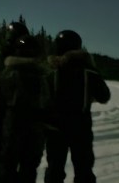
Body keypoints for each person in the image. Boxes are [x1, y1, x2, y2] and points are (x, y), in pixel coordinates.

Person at [45, 30, 110, 183]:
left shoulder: (50, 70)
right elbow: (104, 96)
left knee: (54, 171)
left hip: (55, 128)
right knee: (83, 170)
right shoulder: (89, 70)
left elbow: (41, 99)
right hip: (81, 128)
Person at [0, 33, 50, 183]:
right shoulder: (43, 76)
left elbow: (0, 97)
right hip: (35, 127)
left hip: (13, 125)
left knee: (8, 165)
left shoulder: (9, 73)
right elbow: (48, 101)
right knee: (28, 168)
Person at [0, 21, 29, 183]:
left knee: (0, 142)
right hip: (11, 107)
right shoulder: (11, 57)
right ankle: (0, 174)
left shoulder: (2, 55)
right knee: (9, 145)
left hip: (2, 105)